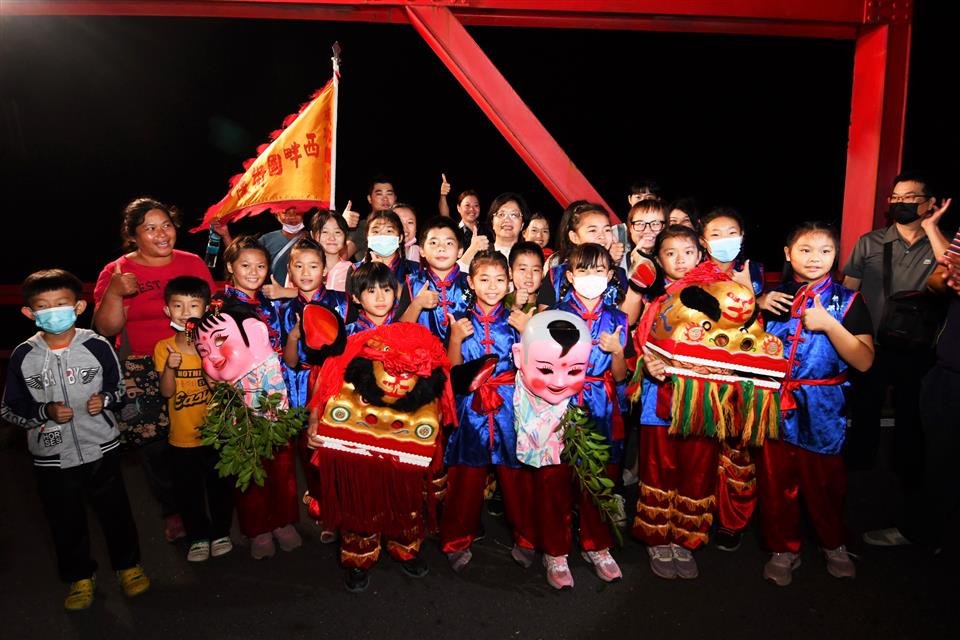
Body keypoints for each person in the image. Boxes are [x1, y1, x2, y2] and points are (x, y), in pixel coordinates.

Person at [3, 269, 150, 610]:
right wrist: (44, 412)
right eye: (44, 306)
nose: (53, 312)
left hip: (102, 447)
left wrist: (106, 400)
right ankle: (79, 577)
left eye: (61, 303)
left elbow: (119, 390)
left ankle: (128, 566)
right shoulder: (23, 355)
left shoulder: (96, 345)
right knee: (64, 519)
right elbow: (10, 408)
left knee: (115, 512)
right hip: (52, 458)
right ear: (29, 313)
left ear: (79, 307)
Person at [93, 196, 216, 543]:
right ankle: (173, 511)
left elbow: (213, 312)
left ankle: (205, 505)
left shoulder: (192, 263)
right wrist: (115, 293)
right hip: (144, 367)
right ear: (132, 235)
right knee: (156, 446)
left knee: (202, 435)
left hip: (194, 361)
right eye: (150, 228)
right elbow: (106, 328)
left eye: (167, 225)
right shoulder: (117, 271)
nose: (162, 234)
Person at [759, 222, 874, 585]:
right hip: (775, 403)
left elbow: (864, 361)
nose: (815, 258)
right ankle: (783, 548)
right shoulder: (772, 299)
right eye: (805, 250)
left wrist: (829, 325)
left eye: (825, 251)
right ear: (787, 253)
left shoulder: (848, 300)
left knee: (825, 482)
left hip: (824, 405)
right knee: (776, 481)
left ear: (836, 255)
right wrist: (756, 305)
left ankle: (833, 543)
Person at [842, 171, 951, 491]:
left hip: (919, 346)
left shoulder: (941, 243)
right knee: (865, 410)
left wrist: (932, 229)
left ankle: (907, 480)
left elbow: (954, 270)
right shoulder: (870, 242)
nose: (901, 203)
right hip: (873, 343)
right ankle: (858, 475)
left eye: (910, 198)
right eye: (896, 198)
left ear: (930, 203)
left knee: (911, 414)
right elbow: (848, 291)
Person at [862, 226, 960, 552]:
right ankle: (923, 530)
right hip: (949, 368)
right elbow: (938, 280)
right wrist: (948, 277)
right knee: (938, 456)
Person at [632, 226, 720, 580]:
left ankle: (686, 539)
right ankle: (657, 538)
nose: (680, 259)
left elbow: (733, 345)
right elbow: (639, 345)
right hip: (659, 399)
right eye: (671, 253)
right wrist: (647, 363)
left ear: (700, 254)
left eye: (688, 251)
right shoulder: (655, 301)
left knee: (698, 469)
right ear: (659, 259)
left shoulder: (720, 297)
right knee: (658, 468)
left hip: (703, 400)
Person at [441, 251, 531, 573]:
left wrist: (530, 331)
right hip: (471, 407)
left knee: (517, 476)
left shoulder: (518, 320)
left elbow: (535, 367)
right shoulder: (459, 320)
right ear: (471, 282)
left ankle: (526, 539)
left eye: (499, 280)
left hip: (510, 406)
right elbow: (452, 371)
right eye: (484, 279)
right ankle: (456, 540)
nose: (492, 286)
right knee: (465, 476)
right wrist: (455, 339)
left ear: (510, 283)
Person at [219, 237, 301, 559]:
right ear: (230, 267)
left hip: (277, 393)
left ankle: (283, 521)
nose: (254, 272)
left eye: (261, 266)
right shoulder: (219, 306)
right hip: (242, 396)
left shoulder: (271, 300)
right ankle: (257, 528)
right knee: (250, 465)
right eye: (245, 265)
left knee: (282, 464)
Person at [554, 243, 628, 584]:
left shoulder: (617, 318)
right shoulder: (555, 314)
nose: (591, 277)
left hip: (601, 402)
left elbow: (620, 376)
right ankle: (556, 550)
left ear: (610, 275)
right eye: (583, 270)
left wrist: (617, 352)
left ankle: (597, 544)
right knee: (558, 478)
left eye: (599, 270)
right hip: (561, 402)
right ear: (570, 276)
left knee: (598, 476)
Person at [699, 206, 769, 551]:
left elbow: (759, 326)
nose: (724, 240)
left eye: (731, 233)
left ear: (742, 237)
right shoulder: (694, 276)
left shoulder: (754, 272)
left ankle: (733, 519)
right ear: (703, 241)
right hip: (704, 374)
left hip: (744, 373)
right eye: (716, 234)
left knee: (738, 450)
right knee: (702, 449)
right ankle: (701, 512)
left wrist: (753, 296)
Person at [154, 276, 234, 563]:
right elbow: (166, 392)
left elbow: (224, 387)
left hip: (216, 434)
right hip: (182, 437)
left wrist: (211, 362)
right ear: (167, 310)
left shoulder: (216, 345)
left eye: (193, 305)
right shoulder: (164, 347)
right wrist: (169, 368)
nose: (185, 312)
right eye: (178, 305)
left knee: (220, 487)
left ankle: (221, 532)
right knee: (188, 492)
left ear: (206, 309)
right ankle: (198, 535)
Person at [399, 217, 470, 341]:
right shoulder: (413, 283)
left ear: (460, 251)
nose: (441, 248)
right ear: (422, 250)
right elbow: (399, 332)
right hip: (423, 352)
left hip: (466, 352)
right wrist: (417, 304)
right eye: (433, 243)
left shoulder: (471, 282)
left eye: (449, 243)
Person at [351, 209, 420, 287]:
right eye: (376, 231)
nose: (382, 236)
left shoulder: (415, 269)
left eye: (389, 231)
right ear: (367, 237)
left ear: (400, 238)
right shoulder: (355, 269)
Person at [346, 176, 398, 260]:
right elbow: (340, 257)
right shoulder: (364, 226)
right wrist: (340, 225)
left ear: (395, 198)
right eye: (379, 194)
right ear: (369, 199)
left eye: (389, 194)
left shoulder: (402, 224)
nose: (385, 199)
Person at [444, 188, 494, 270]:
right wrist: (443, 196)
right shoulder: (452, 232)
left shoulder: (489, 229)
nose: (472, 209)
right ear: (458, 208)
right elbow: (444, 216)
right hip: (459, 274)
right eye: (467, 205)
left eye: (476, 205)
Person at [346, 262, 400, 334]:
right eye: (372, 291)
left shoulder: (405, 327)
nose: (380, 298)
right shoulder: (349, 333)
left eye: (386, 290)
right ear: (356, 298)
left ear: (395, 294)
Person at [309, 209, 352, 292]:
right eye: (325, 232)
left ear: (345, 236)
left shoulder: (352, 270)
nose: (332, 238)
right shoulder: (301, 267)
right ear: (312, 235)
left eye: (337, 232)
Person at [488, 192, 530, 261]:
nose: (507, 219)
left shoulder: (530, 256)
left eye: (514, 215)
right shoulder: (481, 253)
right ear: (492, 223)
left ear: (522, 224)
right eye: (501, 214)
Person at [506, 242, 545, 313]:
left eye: (535, 270)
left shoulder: (546, 305)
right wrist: (515, 307)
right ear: (510, 272)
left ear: (542, 274)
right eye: (522, 269)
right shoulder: (501, 301)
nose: (529, 275)